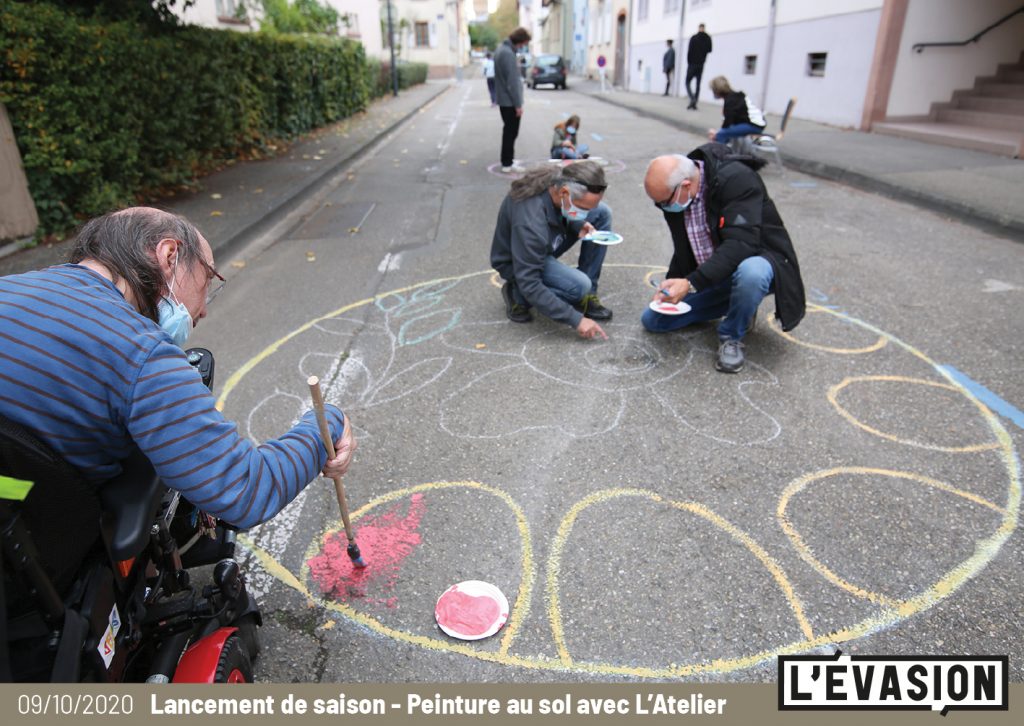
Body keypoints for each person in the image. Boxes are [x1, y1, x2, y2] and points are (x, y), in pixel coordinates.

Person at [0, 207, 356, 530]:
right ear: (169, 255)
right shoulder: (139, 352)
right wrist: (327, 423)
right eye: (207, 281)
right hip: (43, 547)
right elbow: (247, 492)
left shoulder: (10, 287)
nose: (203, 311)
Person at [641, 145, 806, 373]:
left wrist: (690, 283)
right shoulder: (677, 197)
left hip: (758, 259)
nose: (662, 207)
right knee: (654, 320)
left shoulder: (738, 180)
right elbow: (684, 245)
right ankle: (741, 304)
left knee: (751, 273)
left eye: (663, 202)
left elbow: (741, 245)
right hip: (715, 272)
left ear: (686, 185)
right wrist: (674, 284)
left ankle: (731, 335)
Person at [490, 161, 614, 340]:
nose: (586, 213)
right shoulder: (531, 223)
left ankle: (588, 296)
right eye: (583, 209)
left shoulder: (558, 179)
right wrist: (576, 319)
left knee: (602, 213)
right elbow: (531, 282)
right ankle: (516, 293)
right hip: (517, 261)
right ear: (564, 192)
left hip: (541, 242)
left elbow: (560, 209)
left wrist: (577, 222)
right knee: (579, 286)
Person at [494, 27, 531, 173]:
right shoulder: (507, 54)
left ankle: (508, 160)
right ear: (519, 41)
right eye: (524, 43)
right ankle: (507, 162)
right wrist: (518, 104)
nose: (523, 46)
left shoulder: (502, 50)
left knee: (509, 131)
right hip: (509, 102)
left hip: (504, 100)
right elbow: (512, 82)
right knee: (511, 132)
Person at [705, 75, 766, 145]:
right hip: (756, 124)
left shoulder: (730, 100)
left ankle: (719, 153)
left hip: (754, 125)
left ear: (717, 90)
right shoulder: (734, 96)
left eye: (713, 90)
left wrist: (717, 133)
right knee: (725, 132)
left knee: (722, 134)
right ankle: (729, 151)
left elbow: (727, 123)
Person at [685, 23, 712, 110]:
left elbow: (689, 51)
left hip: (692, 63)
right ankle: (694, 102)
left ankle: (692, 99)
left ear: (699, 28)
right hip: (701, 63)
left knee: (687, 82)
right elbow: (709, 50)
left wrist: (689, 62)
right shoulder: (707, 38)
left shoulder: (694, 38)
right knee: (698, 84)